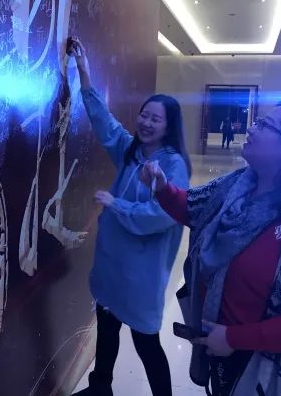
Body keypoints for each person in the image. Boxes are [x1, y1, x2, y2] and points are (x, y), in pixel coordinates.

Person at [141, 100, 281, 395]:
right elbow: (193, 208)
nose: (252, 129)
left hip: (276, 372)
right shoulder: (239, 185)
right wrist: (162, 188)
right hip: (224, 354)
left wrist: (235, 338)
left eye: (265, 125)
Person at [68, 38, 191, 396]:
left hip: (141, 275)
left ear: (169, 127)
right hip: (113, 266)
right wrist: (84, 74)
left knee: (146, 343)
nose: (146, 123)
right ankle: (100, 388)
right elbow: (105, 124)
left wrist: (116, 204)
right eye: (144, 115)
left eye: (155, 119)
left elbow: (162, 215)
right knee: (107, 330)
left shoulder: (173, 165)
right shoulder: (131, 150)